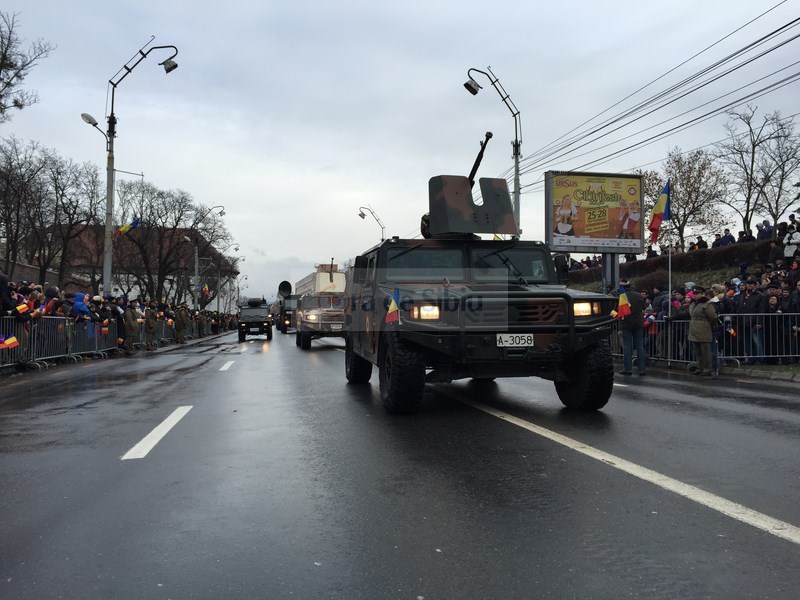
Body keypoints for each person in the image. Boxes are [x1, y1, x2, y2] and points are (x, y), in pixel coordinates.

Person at [616, 279, 646, 376]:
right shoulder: (639, 296)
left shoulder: (621, 297)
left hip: (626, 324)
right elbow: (643, 307)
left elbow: (616, 311)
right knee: (640, 346)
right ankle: (642, 369)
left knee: (627, 347)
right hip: (639, 323)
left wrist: (614, 316)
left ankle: (627, 369)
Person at [688, 287, 718, 376]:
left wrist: (710, 325)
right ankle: (700, 367)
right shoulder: (694, 304)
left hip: (703, 329)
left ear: (702, 294)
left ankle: (707, 368)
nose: (696, 295)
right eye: (695, 294)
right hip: (694, 329)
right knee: (697, 351)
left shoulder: (706, 304)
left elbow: (713, 317)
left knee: (705, 350)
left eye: (698, 293)